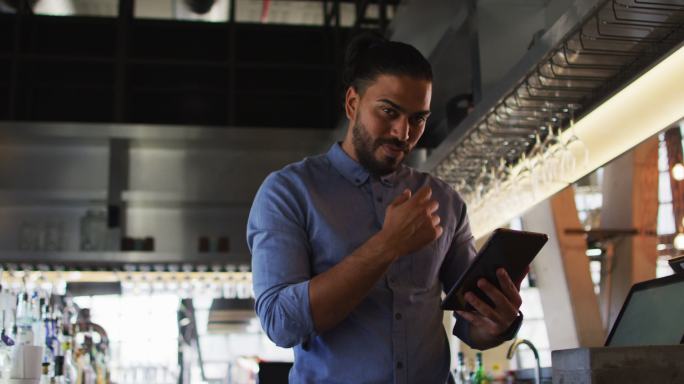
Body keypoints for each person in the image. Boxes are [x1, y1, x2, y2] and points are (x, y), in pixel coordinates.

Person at [247, 33, 525, 384]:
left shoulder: (445, 201)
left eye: (418, 119)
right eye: (389, 111)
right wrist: (387, 245)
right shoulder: (288, 193)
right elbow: (281, 324)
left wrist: (497, 322)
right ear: (352, 103)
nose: (403, 132)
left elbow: (472, 327)